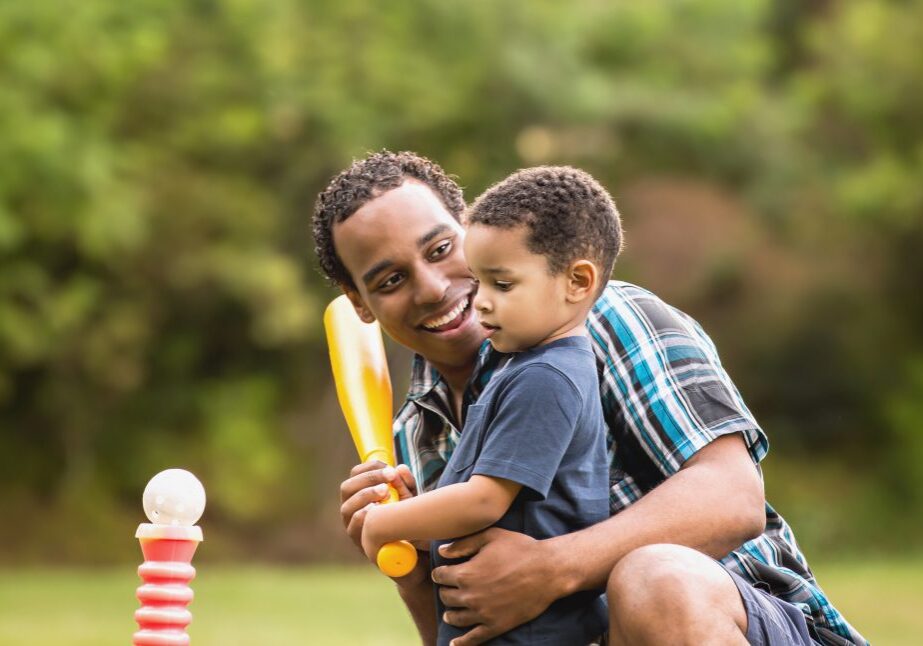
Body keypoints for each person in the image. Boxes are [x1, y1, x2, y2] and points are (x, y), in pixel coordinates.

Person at [313, 151, 867, 646]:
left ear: (471, 230)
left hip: (747, 618)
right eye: (389, 281)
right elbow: (472, 631)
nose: (432, 286)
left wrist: (552, 568)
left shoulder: (600, 322)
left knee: (655, 579)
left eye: (440, 248)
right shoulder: (416, 437)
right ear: (359, 305)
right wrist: (412, 573)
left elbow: (731, 496)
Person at [360, 166, 620, 645]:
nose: (478, 303)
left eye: (502, 285)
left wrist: (384, 523)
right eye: (478, 282)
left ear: (577, 282)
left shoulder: (548, 376)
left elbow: (484, 500)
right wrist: (419, 519)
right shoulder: (519, 367)